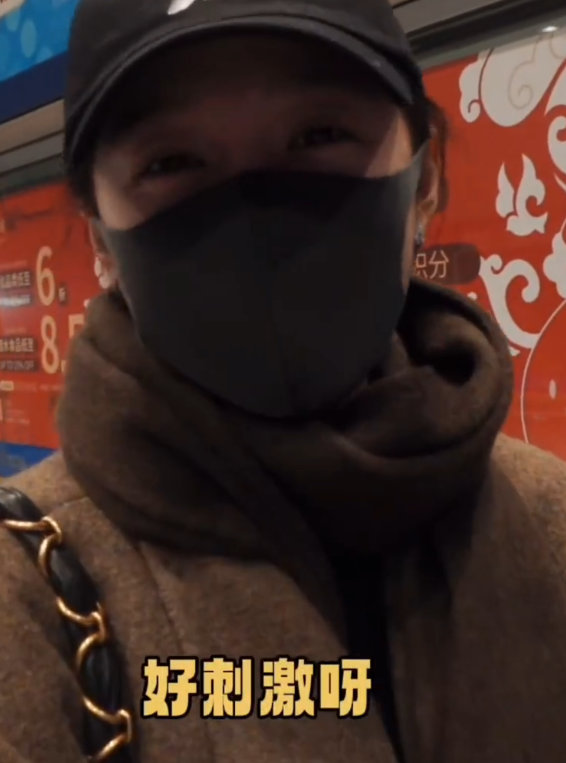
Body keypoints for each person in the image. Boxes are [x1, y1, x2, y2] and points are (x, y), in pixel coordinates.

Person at [1, 0, 566, 761]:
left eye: (320, 133)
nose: (251, 213)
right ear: (101, 240)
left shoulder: (552, 520)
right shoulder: (29, 591)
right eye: (170, 162)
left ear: (425, 179)